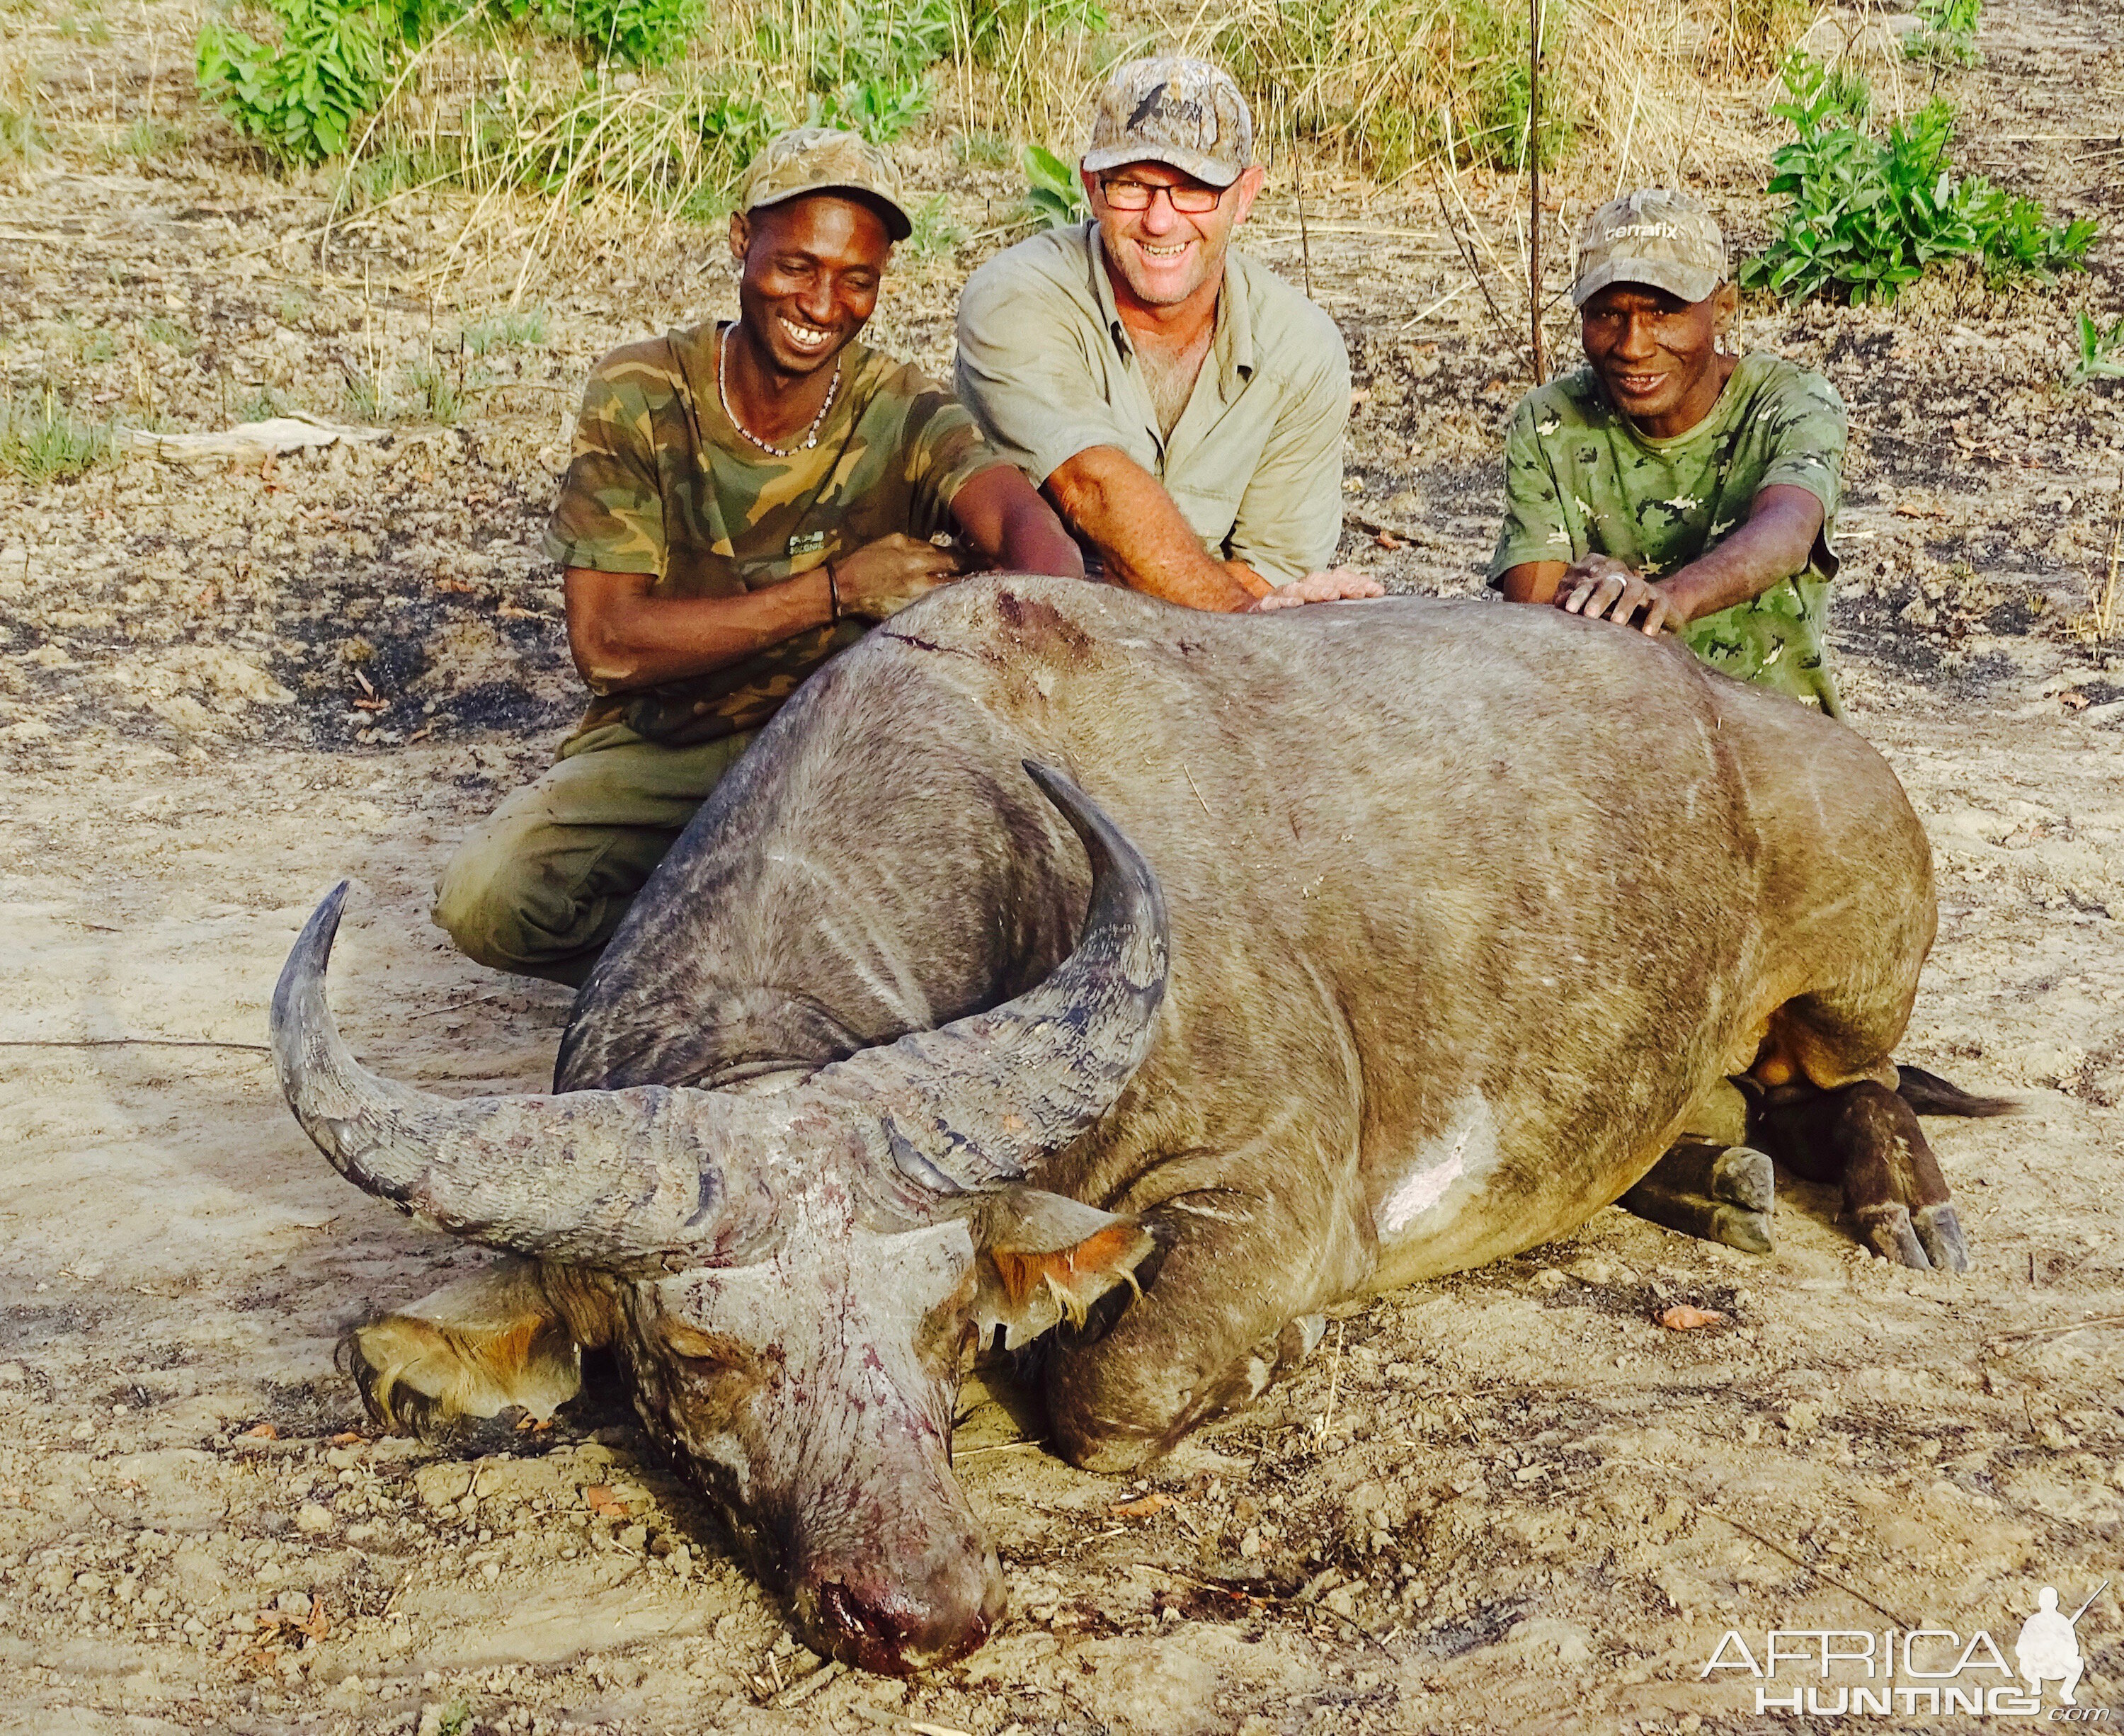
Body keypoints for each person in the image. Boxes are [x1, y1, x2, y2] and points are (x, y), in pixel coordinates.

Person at [434, 127, 1083, 984]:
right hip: (671, 741)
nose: (824, 304)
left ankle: (762, 965)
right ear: (742, 241)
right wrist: (839, 591)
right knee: (490, 899)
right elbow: (608, 643)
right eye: (797, 267)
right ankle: (725, 962)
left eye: (859, 281)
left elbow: (1031, 535)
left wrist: (1022, 611)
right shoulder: (642, 393)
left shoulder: (901, 406)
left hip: (842, 746)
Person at [954, 55, 1382, 615]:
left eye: (1194, 189)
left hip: (1192, 648)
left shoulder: (1302, 348)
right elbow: (1092, 489)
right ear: (1090, 185)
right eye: (1132, 186)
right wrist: (1248, 615)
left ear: (1245, 195)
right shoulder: (1013, 297)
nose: (1160, 220)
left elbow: (1271, 574)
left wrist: (1266, 604)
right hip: (1031, 636)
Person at [1490, 188, 1849, 716]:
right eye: (1608, 314)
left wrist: (1669, 598)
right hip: (1609, 724)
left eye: (1663, 312)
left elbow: (1791, 528)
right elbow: (1534, 610)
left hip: (1769, 729)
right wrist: (1596, 589)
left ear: (1722, 309)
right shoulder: (1549, 421)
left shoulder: (1789, 401)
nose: (1633, 346)